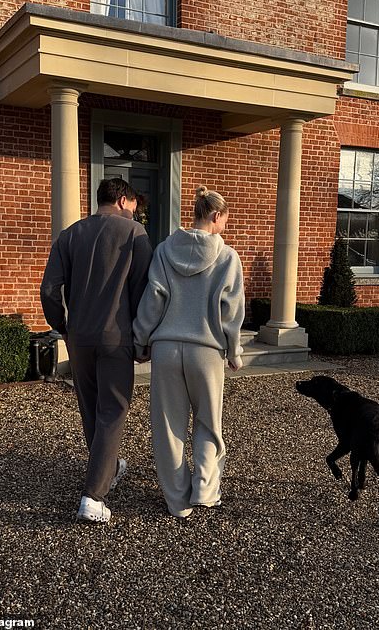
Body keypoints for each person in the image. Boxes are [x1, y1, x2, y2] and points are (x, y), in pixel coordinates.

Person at [40, 177, 153, 524]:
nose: (136, 214)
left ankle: (108, 468)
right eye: (134, 207)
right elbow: (144, 292)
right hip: (116, 336)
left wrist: (61, 324)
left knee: (90, 408)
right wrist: (143, 338)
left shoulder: (69, 235)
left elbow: (49, 289)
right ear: (122, 199)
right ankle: (93, 496)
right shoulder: (135, 236)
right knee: (113, 412)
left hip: (79, 336)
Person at [133, 186, 245, 519]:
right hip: (207, 351)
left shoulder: (165, 250)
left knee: (168, 426)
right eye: (225, 218)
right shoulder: (227, 257)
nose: (226, 224)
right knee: (209, 424)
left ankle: (176, 502)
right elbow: (232, 311)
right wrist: (234, 350)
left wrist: (141, 339)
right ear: (215, 215)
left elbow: (153, 298)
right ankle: (206, 492)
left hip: (166, 348)